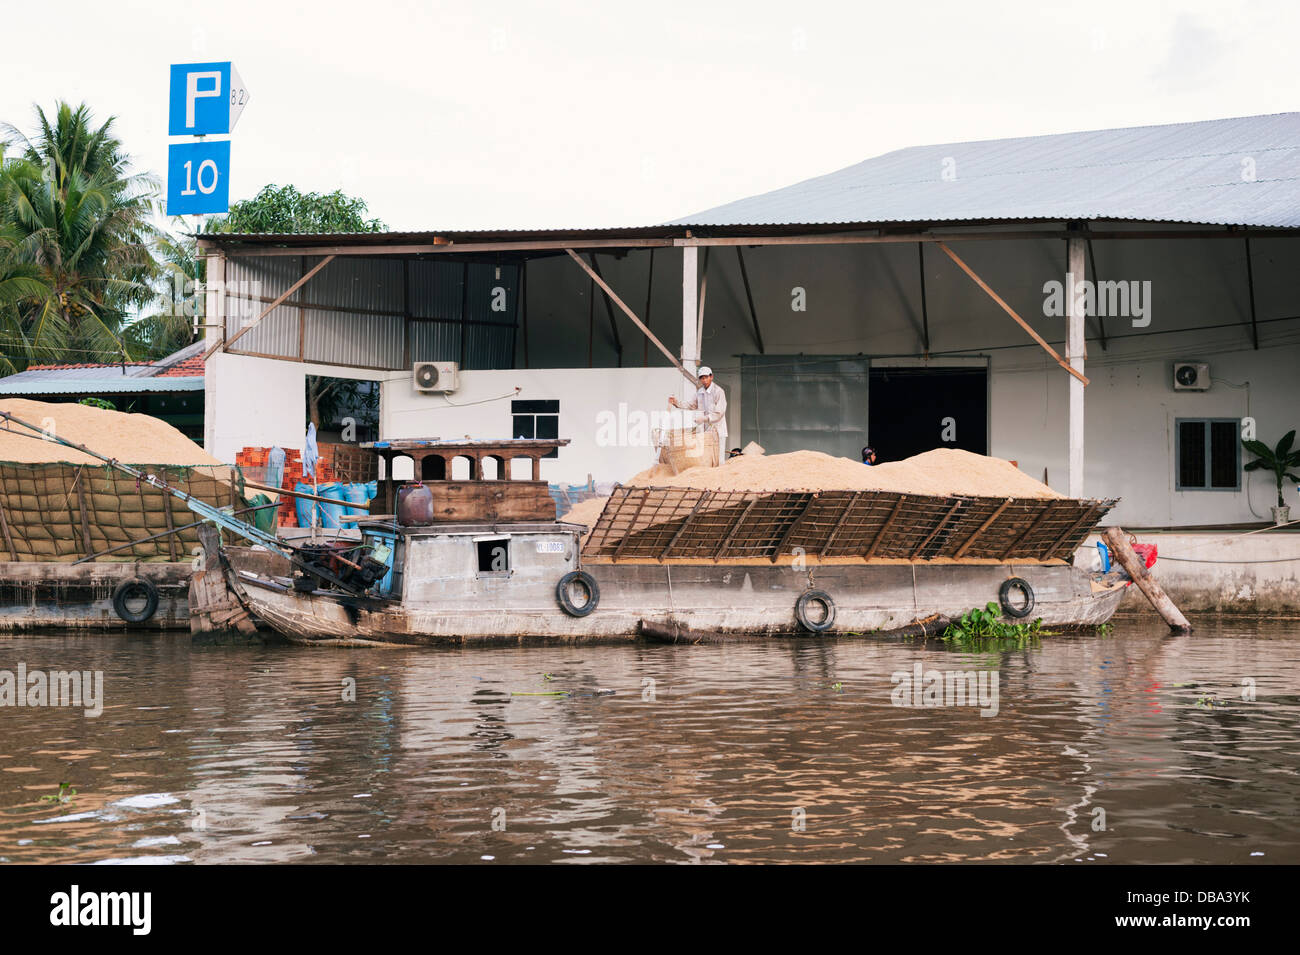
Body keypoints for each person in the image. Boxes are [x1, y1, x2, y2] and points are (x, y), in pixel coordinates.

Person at [668, 366, 727, 464]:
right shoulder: (700, 392)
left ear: (711, 377)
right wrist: (676, 403)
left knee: (719, 460)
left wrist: (704, 418)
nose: (704, 380)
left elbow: (719, 412)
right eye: (702, 378)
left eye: (706, 377)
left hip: (718, 430)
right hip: (705, 431)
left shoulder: (718, 391)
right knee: (707, 458)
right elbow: (691, 405)